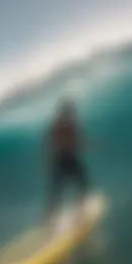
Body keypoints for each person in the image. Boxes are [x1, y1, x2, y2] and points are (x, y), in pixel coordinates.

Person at [42, 97, 89, 234]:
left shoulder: (55, 124)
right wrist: (86, 144)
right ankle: (79, 217)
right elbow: (75, 142)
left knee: (55, 194)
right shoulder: (69, 124)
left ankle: (47, 226)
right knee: (83, 185)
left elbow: (48, 142)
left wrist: (45, 161)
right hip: (68, 160)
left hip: (56, 161)